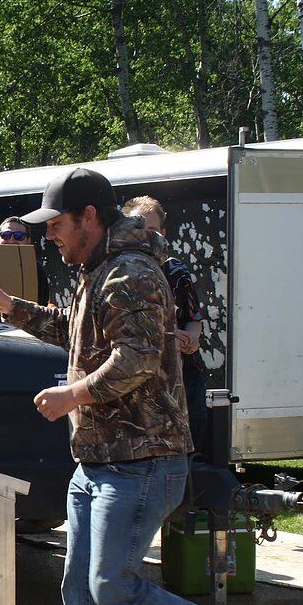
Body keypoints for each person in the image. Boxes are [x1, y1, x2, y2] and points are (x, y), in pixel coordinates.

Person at [0, 167, 272, 605]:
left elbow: (139, 358)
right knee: (84, 596)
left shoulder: (131, 272)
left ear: (89, 216)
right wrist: (12, 307)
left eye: (56, 224)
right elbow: (73, 330)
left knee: (111, 587)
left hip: (142, 461)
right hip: (99, 462)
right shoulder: (98, 269)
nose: (49, 235)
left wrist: (73, 395)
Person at [122, 195, 208, 457]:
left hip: (186, 377)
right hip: (144, 384)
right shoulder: (120, 273)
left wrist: (192, 339)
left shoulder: (176, 271)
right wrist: (170, 336)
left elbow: (194, 318)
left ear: (164, 233)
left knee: (193, 448)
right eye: (140, 230)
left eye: (153, 231)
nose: (147, 237)